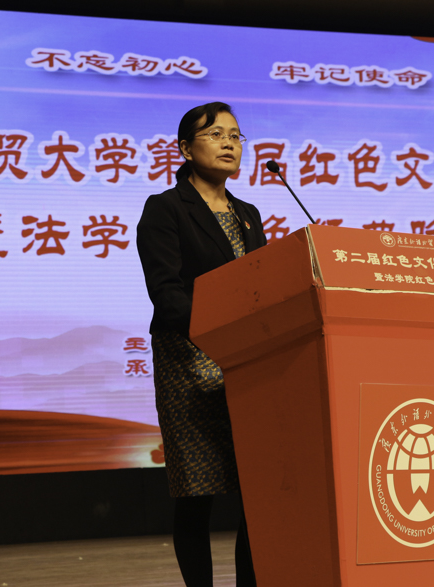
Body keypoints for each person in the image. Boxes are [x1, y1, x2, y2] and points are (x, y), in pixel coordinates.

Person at [136, 102, 266, 587]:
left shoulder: (248, 214)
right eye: (215, 134)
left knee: (258, 491)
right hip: (189, 362)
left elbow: (263, 287)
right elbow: (167, 293)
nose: (229, 142)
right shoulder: (166, 208)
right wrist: (221, 329)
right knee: (198, 493)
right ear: (186, 149)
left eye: (235, 134)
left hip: (247, 363)